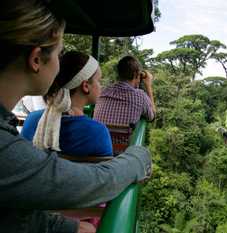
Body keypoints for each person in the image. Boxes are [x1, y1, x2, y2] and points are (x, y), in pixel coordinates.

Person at [0, 1, 151, 233]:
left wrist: (62, 226)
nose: (60, 64)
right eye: (59, 54)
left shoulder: (28, 122)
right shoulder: (5, 148)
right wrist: (139, 155)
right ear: (36, 59)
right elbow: (92, 181)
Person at [21, 51, 113, 157]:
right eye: (99, 81)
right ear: (86, 86)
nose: (100, 86)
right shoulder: (98, 133)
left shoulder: (32, 120)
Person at [93, 55, 156, 147]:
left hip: (97, 151)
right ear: (136, 74)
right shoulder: (140, 96)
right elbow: (152, 117)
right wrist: (148, 86)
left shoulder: (103, 92)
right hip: (122, 156)